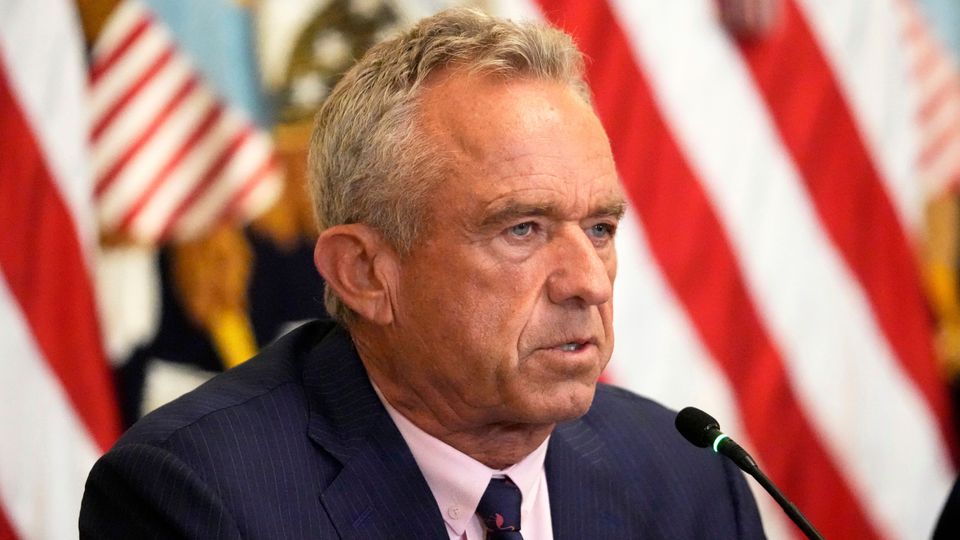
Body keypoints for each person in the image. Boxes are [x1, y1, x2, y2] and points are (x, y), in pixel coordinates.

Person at [80, 8, 766, 539]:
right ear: (365, 273)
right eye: (522, 229)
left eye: (599, 229)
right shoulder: (198, 497)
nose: (589, 282)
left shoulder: (690, 479)